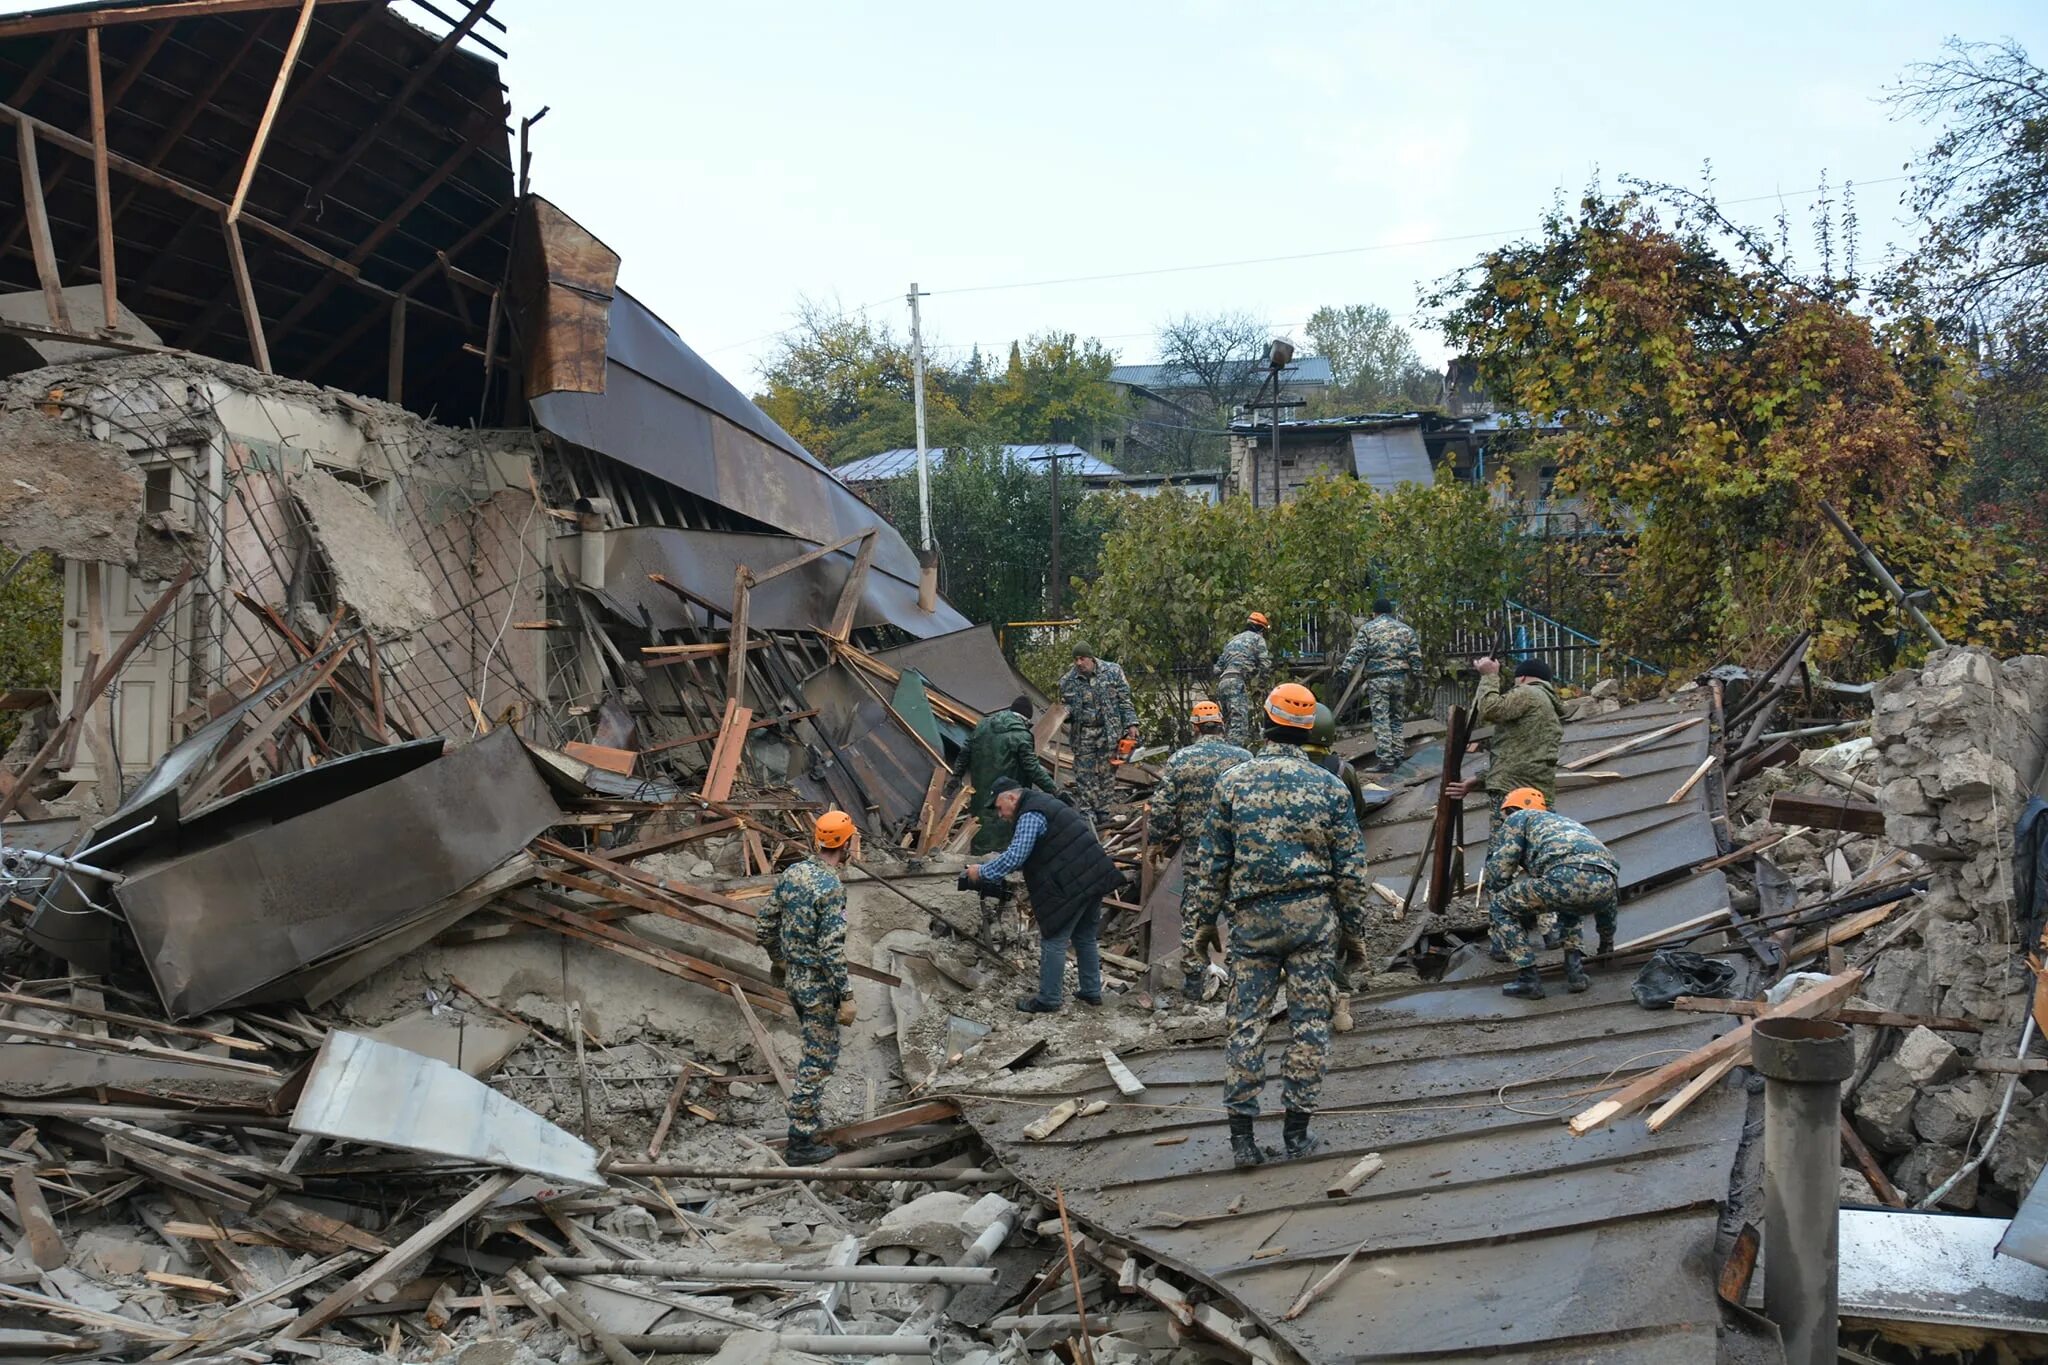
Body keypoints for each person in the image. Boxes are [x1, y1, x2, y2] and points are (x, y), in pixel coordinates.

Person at [1185, 683, 1373, 1168]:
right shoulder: (1329, 787)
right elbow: (1352, 871)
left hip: (1251, 923)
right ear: (1309, 728)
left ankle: (1243, 1142)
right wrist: (1354, 931)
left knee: (1246, 1024)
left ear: (1264, 720)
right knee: (1309, 1025)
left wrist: (1204, 924)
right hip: (1313, 921)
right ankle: (1297, 1135)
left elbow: (1213, 864)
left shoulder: (1233, 783)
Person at [755, 810, 861, 1165]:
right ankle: (800, 1140)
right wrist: (846, 996)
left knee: (812, 1054)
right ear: (844, 844)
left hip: (795, 982)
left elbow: (764, 922)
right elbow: (831, 950)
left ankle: (807, 1121)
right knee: (818, 1061)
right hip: (818, 989)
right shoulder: (831, 889)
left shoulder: (793, 873)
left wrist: (779, 959)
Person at [967, 776, 1124, 1014]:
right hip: (1093, 875)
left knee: (1053, 939)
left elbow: (1016, 856)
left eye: (999, 808)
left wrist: (982, 873)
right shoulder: (1045, 803)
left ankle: (1049, 998)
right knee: (1085, 936)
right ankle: (1091, 991)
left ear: (1012, 797)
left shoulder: (1030, 813)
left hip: (1072, 881)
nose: (1000, 815)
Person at [1148, 699, 1252, 997]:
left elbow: (1163, 806)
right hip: (1236, 848)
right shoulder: (1243, 757)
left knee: (1195, 913)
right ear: (1221, 725)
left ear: (1195, 727)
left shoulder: (1181, 760)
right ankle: (1239, 978)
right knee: (1239, 910)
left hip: (1198, 850)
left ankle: (1194, 982)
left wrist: (1156, 840)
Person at [1485, 788, 1619, 999]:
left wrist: (1499, 893)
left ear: (1511, 809)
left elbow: (1500, 871)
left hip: (1563, 876)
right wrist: (1606, 945)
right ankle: (1575, 973)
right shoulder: (1566, 824)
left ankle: (1528, 979)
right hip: (1606, 880)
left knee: (1501, 906)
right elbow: (1608, 903)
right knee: (1570, 904)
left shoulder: (1518, 817)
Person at [1302, 703, 1369, 1034]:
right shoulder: (1342, 770)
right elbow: (1358, 812)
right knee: (1342, 932)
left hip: (1296, 870)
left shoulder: (1276, 770)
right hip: (1337, 867)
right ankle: (1341, 1005)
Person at [1333, 599, 1424, 771]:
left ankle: (1385, 761)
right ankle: (1398, 757)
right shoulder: (1405, 630)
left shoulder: (1369, 629)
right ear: (1391, 612)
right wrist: (1418, 677)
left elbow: (1357, 651)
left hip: (1378, 679)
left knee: (1381, 719)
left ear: (1374, 613)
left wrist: (1344, 671)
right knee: (1396, 719)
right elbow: (1415, 656)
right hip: (1399, 679)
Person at [965, 695, 1057, 855]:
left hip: (980, 795)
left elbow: (965, 751)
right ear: (1025, 719)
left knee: (980, 835)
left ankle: (978, 868)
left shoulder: (982, 726)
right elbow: (1032, 768)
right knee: (1004, 841)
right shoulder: (1021, 736)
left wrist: (955, 775)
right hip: (1008, 797)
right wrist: (1056, 791)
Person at [1058, 643, 1139, 824]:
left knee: (1107, 772)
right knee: (1084, 773)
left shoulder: (1112, 672)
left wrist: (1131, 724)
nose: (1079, 663)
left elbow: (1124, 701)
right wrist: (1064, 714)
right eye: (1076, 659)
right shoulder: (1067, 681)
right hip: (1084, 733)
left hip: (1108, 731)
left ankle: (1103, 811)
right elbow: (1066, 708)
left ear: (1091, 658)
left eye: (1082, 658)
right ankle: (1088, 812)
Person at [1211, 612, 1274, 749]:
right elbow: (1265, 665)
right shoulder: (1257, 639)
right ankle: (1234, 756)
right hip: (1237, 681)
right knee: (1239, 725)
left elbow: (1217, 668)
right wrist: (1261, 686)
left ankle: (1223, 751)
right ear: (1261, 629)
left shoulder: (1233, 640)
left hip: (1223, 683)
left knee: (1228, 724)